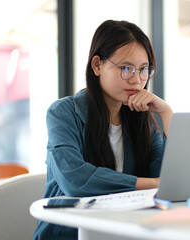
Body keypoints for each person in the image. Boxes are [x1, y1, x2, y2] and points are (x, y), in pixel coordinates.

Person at [33, 20, 173, 239]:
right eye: (126, 68)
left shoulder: (142, 121)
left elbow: (170, 180)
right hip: (69, 234)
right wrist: (152, 184)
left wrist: (165, 113)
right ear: (97, 65)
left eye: (144, 70)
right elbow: (76, 180)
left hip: (124, 232)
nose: (137, 80)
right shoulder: (63, 113)